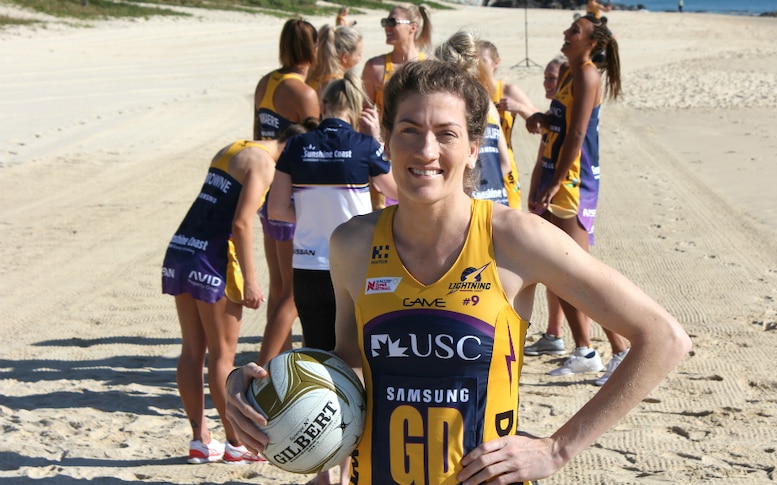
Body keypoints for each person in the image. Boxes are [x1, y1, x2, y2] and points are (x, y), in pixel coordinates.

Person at [225, 59, 691, 484]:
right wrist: (257, 389)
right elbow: (348, 364)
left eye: (446, 133)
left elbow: (663, 338)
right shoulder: (353, 243)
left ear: (473, 148)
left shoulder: (515, 240)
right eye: (408, 130)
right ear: (385, 141)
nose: (426, 149)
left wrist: (556, 448)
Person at [267, 71, 397, 485]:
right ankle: (348, 468)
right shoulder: (362, 146)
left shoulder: (297, 146)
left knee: (319, 364)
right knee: (354, 367)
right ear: (357, 109)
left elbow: (277, 211)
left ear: (322, 108)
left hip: (306, 266)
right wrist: (376, 142)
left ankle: (323, 473)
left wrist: (310, 215)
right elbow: (395, 193)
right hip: (353, 267)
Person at [161, 131, 299, 465]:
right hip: (213, 259)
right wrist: (251, 280)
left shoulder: (234, 150)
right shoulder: (265, 165)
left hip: (181, 250)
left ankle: (199, 439)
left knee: (192, 351)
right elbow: (240, 223)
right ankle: (237, 443)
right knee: (223, 356)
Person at [527, 15, 628, 385]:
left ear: (591, 42)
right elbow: (561, 124)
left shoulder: (587, 73)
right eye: (568, 30)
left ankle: (621, 350)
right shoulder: (570, 72)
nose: (566, 36)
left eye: (574, 32)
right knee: (559, 273)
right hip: (557, 179)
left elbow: (578, 134)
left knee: (581, 274)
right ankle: (585, 350)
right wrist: (540, 116)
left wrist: (552, 183)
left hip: (573, 184)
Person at [252, 19, 321, 367]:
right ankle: (266, 370)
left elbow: (257, 138)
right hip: (293, 199)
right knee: (293, 296)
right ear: (314, 49)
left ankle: (279, 365)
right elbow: (317, 148)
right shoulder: (304, 94)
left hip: (267, 196)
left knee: (279, 291)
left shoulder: (267, 82)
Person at [361, 2, 432, 209]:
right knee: (382, 215)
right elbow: (364, 114)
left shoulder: (428, 65)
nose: (387, 27)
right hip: (383, 152)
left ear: (413, 27)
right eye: (385, 22)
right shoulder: (375, 67)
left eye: (392, 22)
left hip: (417, 150)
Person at [523, 55, 570, 358]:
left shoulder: (567, 114)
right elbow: (542, 156)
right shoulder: (552, 117)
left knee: (566, 268)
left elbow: (574, 143)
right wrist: (534, 189)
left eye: (552, 78)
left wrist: (551, 187)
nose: (546, 83)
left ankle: (593, 346)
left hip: (566, 196)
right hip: (546, 193)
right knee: (551, 268)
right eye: (545, 78)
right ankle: (554, 332)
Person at [434, 31, 514, 208]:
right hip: (497, 200)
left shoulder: (449, 104)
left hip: (466, 206)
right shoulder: (487, 101)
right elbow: (506, 163)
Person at [477, 39, 541, 210]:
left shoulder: (507, 90)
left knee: (511, 215)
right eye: (474, 61)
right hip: (477, 164)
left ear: (496, 63)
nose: (478, 67)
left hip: (503, 161)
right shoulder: (468, 90)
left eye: (483, 61)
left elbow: (541, 124)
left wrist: (519, 108)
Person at [307, 24, 364, 95]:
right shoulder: (340, 87)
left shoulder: (311, 76)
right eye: (359, 54)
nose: (360, 58)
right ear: (344, 57)